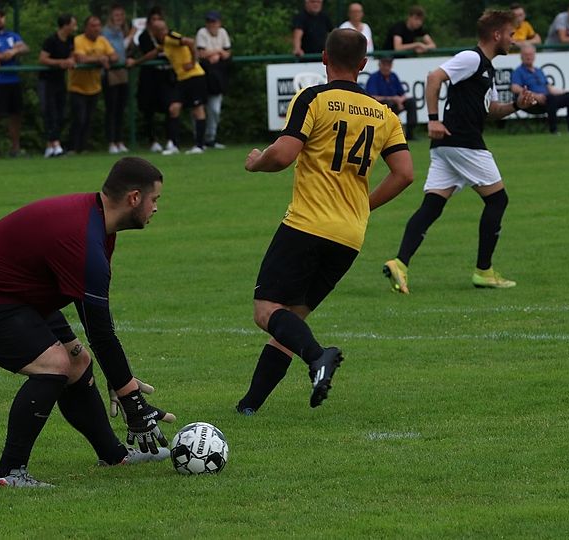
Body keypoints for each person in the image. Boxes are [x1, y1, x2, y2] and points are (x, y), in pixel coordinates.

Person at [0, 157, 174, 487]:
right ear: (134, 198)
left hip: (15, 291)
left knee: (78, 361)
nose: (156, 208)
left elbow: (93, 325)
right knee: (54, 365)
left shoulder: (97, 223)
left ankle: (114, 455)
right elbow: (100, 332)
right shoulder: (84, 239)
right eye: (155, 199)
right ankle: (7, 474)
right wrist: (132, 399)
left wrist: (121, 383)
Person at [237, 29, 414, 414]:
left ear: (323, 57)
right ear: (363, 64)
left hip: (307, 225)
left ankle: (319, 356)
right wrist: (363, 206)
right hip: (349, 235)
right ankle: (248, 407)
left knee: (266, 311)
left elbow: (283, 155)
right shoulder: (384, 114)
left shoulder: (313, 98)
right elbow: (404, 173)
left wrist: (255, 163)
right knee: (292, 322)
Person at [383, 10, 536, 295]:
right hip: (463, 142)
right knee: (498, 200)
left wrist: (517, 105)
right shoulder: (472, 58)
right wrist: (432, 120)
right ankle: (484, 271)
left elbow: (490, 110)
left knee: (432, 206)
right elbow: (434, 77)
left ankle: (399, 264)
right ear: (496, 35)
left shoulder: (486, 68)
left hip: (448, 146)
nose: (514, 40)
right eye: (511, 34)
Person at [142, 20, 208, 155]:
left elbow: (190, 42)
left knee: (198, 110)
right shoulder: (164, 43)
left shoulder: (171, 38)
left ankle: (200, 145)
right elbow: (154, 53)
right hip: (182, 79)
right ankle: (174, 145)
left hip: (194, 76)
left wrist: (193, 62)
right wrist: (136, 62)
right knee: (174, 108)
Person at [0, 8, 29, 158]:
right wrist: (7, 54)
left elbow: (25, 47)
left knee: (15, 115)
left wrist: (14, 52)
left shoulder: (12, 35)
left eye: (1, 17)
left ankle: (15, 149)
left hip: (13, 79)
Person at [69, 15, 117, 154]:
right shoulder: (78, 40)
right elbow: (80, 58)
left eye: (98, 25)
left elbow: (114, 56)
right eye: (93, 26)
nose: (96, 28)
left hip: (94, 86)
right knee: (79, 118)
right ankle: (72, 147)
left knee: (89, 119)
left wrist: (107, 58)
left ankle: (83, 148)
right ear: (86, 28)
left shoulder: (102, 40)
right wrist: (100, 59)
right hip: (77, 86)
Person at [510, 43, 569, 134]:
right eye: (526, 55)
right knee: (551, 99)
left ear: (534, 56)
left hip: (547, 99)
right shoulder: (518, 72)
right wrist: (535, 96)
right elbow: (514, 88)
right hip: (531, 102)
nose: (528, 57)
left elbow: (550, 88)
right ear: (521, 56)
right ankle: (554, 130)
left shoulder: (539, 71)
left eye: (531, 55)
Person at [38, 14, 77, 158]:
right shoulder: (51, 40)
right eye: (73, 24)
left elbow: (72, 54)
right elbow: (43, 59)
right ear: (65, 25)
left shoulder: (71, 40)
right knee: (50, 112)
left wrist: (71, 60)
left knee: (60, 112)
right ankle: (56, 143)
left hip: (60, 80)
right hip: (47, 81)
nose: (75, 27)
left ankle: (50, 146)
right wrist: (60, 62)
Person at [136, 8, 174, 153]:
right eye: (154, 19)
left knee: (170, 107)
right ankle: (152, 140)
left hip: (166, 77)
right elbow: (148, 54)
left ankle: (171, 139)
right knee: (148, 110)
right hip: (149, 78)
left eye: (159, 19)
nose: (156, 22)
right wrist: (158, 50)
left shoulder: (171, 35)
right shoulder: (144, 37)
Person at [102, 4, 136, 154]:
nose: (119, 18)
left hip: (122, 71)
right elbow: (115, 50)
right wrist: (131, 36)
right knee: (112, 108)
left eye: (121, 15)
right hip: (110, 72)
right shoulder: (106, 32)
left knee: (121, 108)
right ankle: (111, 141)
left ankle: (119, 140)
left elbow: (126, 50)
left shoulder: (124, 31)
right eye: (116, 15)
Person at [196, 10, 232, 149]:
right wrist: (218, 52)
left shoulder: (222, 32)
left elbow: (228, 53)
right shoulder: (202, 32)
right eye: (209, 21)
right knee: (199, 108)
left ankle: (211, 138)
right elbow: (201, 53)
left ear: (219, 22)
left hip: (218, 76)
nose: (211, 24)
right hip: (202, 75)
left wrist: (215, 54)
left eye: (214, 21)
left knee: (215, 109)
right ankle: (199, 139)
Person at [365, 56, 418, 140]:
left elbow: (402, 93)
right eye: (384, 65)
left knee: (411, 102)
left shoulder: (393, 76)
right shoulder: (374, 78)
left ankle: (410, 133)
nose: (387, 67)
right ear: (380, 65)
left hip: (395, 103)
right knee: (388, 104)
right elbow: (372, 96)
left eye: (388, 65)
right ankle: (389, 133)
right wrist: (393, 99)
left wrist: (400, 100)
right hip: (381, 105)